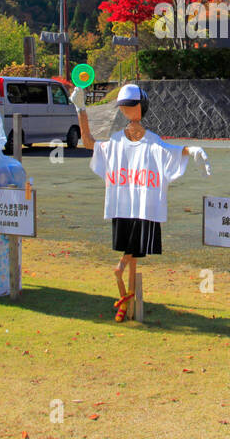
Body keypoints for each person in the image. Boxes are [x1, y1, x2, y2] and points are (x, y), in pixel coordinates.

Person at [70, 82, 210, 321]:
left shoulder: (153, 142)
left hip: (145, 208)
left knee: (124, 263)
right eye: (123, 106)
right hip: (122, 207)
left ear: (141, 107)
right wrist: (81, 109)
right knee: (131, 258)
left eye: (131, 106)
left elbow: (171, 150)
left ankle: (126, 300)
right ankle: (127, 301)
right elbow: (89, 144)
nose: (127, 110)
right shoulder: (115, 141)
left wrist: (192, 150)